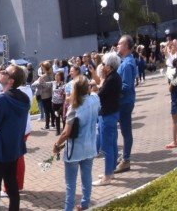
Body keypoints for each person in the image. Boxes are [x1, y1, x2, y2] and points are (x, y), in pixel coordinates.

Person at [0, 65, 30, 211]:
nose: (1, 71)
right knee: (12, 186)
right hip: (14, 149)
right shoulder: (24, 98)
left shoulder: (3, 99)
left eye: (4, 72)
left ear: (10, 80)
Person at [53, 75, 100, 211]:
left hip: (75, 149)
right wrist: (91, 83)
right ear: (87, 88)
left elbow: (66, 133)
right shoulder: (95, 99)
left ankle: (68, 209)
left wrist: (56, 145)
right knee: (87, 177)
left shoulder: (74, 107)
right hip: (90, 146)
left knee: (71, 184)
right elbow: (96, 87)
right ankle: (85, 204)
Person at [95, 52, 121, 186]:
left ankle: (107, 176)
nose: (102, 66)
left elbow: (100, 95)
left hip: (108, 114)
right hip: (112, 113)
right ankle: (110, 171)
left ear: (109, 67)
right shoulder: (114, 77)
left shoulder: (111, 79)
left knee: (107, 147)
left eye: (104, 64)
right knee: (112, 144)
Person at [114, 35, 137, 174]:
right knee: (124, 130)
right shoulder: (125, 61)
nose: (117, 45)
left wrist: (113, 89)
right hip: (123, 101)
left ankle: (126, 160)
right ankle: (125, 157)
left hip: (125, 102)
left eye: (120, 43)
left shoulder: (127, 64)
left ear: (127, 46)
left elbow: (127, 85)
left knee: (126, 131)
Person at [164, 40, 177, 150]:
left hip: (175, 97)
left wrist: (171, 84)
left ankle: (175, 141)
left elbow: (171, 88)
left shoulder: (176, 75)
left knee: (174, 120)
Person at [32, 61, 55, 130]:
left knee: (46, 111)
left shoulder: (42, 77)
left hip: (44, 95)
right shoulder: (52, 74)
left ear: (44, 67)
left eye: (42, 67)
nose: (41, 68)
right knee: (51, 110)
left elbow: (35, 85)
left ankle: (47, 126)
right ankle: (53, 124)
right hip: (51, 94)